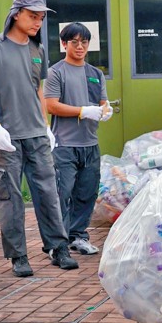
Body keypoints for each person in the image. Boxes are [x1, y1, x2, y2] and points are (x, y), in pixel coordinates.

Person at [0, 0, 79, 277]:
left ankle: (58, 248)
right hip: (8, 138)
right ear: (16, 14)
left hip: (37, 134)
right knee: (10, 197)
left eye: (41, 17)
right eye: (33, 16)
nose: (38, 22)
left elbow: (39, 90)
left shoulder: (37, 50)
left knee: (49, 194)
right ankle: (18, 256)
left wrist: (46, 126)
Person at [44, 22, 113, 256]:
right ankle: (57, 243)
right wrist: (82, 111)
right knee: (62, 194)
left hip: (90, 144)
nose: (80, 46)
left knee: (87, 193)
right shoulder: (56, 72)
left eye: (84, 42)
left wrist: (106, 109)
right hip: (65, 144)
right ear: (64, 44)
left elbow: (102, 102)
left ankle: (78, 236)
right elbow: (51, 105)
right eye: (74, 42)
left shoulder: (95, 74)